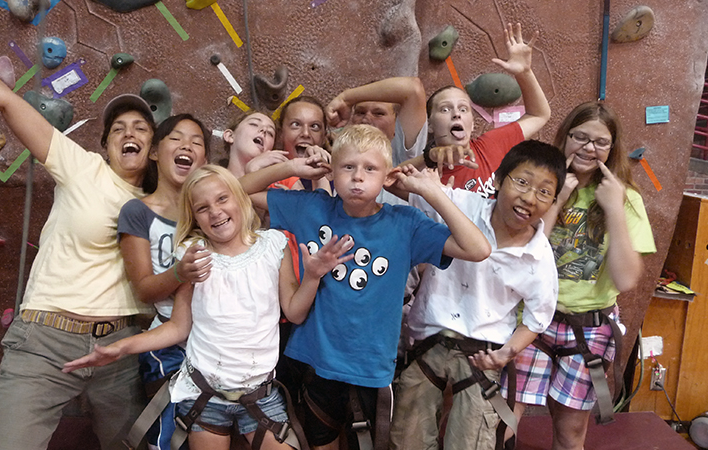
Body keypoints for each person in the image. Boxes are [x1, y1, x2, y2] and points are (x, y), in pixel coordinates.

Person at [0, 1, 159, 448]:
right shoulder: (81, 165)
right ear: (106, 145)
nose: (130, 133)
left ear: (153, 144)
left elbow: (229, 189)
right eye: (119, 129)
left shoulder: (164, 199)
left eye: (142, 128)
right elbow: (5, 99)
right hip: (45, 341)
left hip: (124, 349)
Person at [64, 165, 355, 450]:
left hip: (261, 394)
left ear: (239, 199)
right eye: (202, 208)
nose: (215, 211)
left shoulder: (272, 245)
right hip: (205, 395)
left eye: (222, 198)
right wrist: (124, 347)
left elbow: (294, 311)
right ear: (195, 219)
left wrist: (314, 277)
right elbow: (179, 327)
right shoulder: (195, 257)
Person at [242, 124, 492, 450]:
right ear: (332, 171)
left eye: (370, 169)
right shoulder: (311, 206)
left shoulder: (405, 223)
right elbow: (237, 192)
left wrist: (430, 192)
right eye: (347, 167)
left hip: (370, 366)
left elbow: (478, 249)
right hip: (317, 362)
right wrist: (291, 167)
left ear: (387, 176)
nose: (358, 177)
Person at [389, 141, 566, 450]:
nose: (528, 198)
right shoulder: (464, 204)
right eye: (521, 182)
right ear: (497, 180)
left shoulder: (538, 258)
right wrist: (425, 167)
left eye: (543, 192)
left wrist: (506, 353)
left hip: (481, 355)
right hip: (427, 343)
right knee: (407, 440)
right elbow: (397, 185)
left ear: (553, 202)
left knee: (470, 442)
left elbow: (537, 319)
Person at [510, 102, 656, 450]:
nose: (589, 148)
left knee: (570, 431)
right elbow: (524, 261)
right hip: (532, 320)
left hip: (587, 327)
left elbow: (625, 280)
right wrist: (556, 200)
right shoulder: (537, 189)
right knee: (502, 420)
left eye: (600, 142)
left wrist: (615, 210)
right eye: (580, 137)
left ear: (612, 147)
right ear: (565, 137)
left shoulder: (625, 198)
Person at [118, 113, 210, 450]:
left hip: (216, 341)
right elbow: (143, 286)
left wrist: (290, 169)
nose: (187, 144)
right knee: (173, 436)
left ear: (205, 161)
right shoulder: (138, 212)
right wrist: (179, 273)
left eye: (197, 141)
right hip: (168, 342)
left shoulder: (213, 212)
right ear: (155, 152)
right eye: (176, 138)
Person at [406, 23, 551, 198]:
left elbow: (539, 115)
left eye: (463, 108)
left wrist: (525, 73)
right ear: (430, 124)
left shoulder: (492, 144)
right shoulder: (425, 175)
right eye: (445, 109)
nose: (456, 113)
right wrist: (429, 157)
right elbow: (388, 181)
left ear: (473, 124)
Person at [326, 77, 428, 167]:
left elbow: (413, 89)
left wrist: (345, 98)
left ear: (396, 122)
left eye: (378, 114)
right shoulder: (338, 152)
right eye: (360, 113)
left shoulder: (403, 155)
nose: (365, 119)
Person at [275, 96, 332, 192]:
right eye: (296, 125)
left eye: (314, 126)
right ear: (281, 134)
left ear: (323, 137)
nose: (306, 133)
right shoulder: (269, 178)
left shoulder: (339, 181)